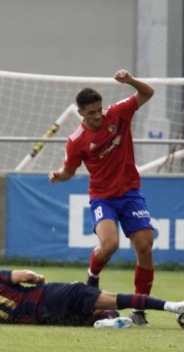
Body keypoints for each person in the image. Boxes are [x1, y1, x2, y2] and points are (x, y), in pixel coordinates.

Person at [48, 69, 156, 326]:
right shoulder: (76, 141)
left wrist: (130, 81)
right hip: (102, 197)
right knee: (110, 245)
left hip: (131, 193)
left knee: (145, 247)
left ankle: (139, 308)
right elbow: (69, 171)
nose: (98, 116)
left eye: (99, 110)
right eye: (92, 112)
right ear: (81, 113)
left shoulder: (118, 113)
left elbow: (147, 92)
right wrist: (58, 176)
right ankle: (92, 276)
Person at [0, 265, 184, 328]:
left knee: (100, 313)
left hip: (47, 319)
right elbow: (24, 276)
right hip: (52, 296)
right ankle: (174, 307)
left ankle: (104, 323)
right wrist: (38, 278)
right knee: (116, 298)